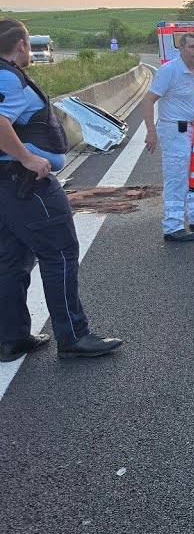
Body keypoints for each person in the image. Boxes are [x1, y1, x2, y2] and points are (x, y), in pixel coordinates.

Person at [0, 18, 123, 360]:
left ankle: (11, 338)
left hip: (6, 187)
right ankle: (73, 335)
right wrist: (26, 158)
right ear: (22, 45)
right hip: (26, 185)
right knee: (61, 253)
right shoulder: (7, 76)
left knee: (11, 259)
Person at [142, 32, 194, 242]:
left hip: (191, 129)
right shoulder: (170, 70)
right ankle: (172, 227)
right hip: (174, 131)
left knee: (193, 174)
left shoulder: (193, 70)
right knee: (176, 178)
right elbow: (148, 100)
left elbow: (185, 99)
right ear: (181, 49)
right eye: (192, 47)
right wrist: (150, 131)